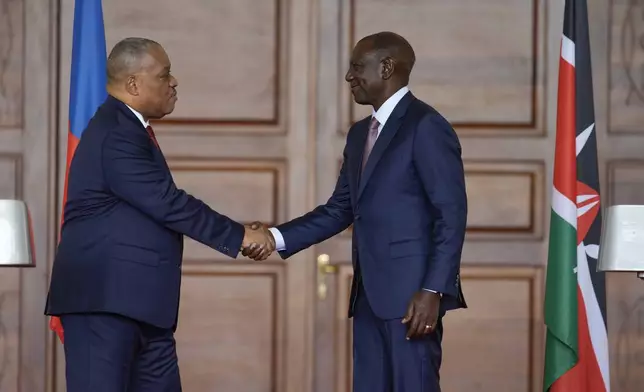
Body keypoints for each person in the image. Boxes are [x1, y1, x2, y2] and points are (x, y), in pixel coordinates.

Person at [45, 37, 274, 392]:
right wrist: (241, 236)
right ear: (133, 83)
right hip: (105, 306)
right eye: (165, 74)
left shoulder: (129, 129)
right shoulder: (117, 132)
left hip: (143, 309)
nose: (174, 82)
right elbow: (167, 202)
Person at [245, 32, 468, 391]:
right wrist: (274, 237)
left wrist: (434, 289)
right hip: (368, 298)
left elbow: (451, 215)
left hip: (413, 300)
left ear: (387, 67)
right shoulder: (360, 133)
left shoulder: (425, 126)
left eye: (356, 67)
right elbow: (340, 209)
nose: (349, 77)